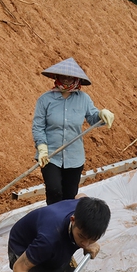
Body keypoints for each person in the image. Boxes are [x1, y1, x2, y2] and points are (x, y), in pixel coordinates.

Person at [32, 57, 115, 205]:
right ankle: (52, 220)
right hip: (50, 155)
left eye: (70, 77)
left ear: (77, 79)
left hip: (74, 158)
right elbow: (38, 126)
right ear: (57, 76)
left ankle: (66, 223)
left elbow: (92, 118)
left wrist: (102, 114)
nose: (67, 80)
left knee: (70, 196)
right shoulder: (45, 100)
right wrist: (42, 148)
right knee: (54, 190)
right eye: (63, 76)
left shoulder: (84, 99)